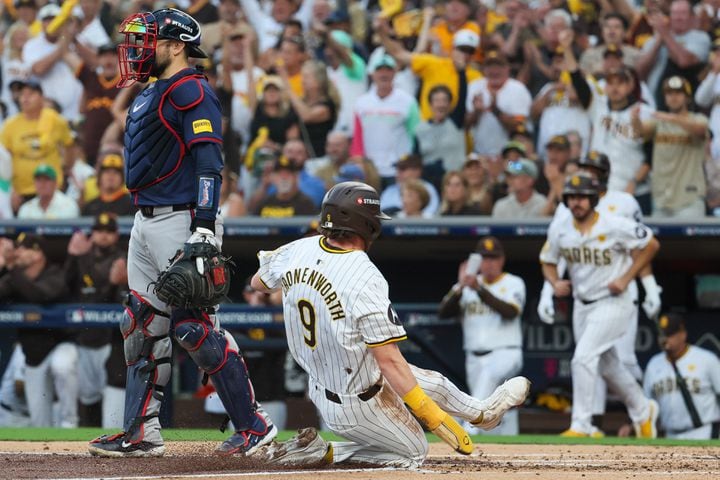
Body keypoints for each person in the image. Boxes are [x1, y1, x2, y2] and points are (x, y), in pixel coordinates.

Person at [87, 8, 276, 458]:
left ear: (175, 46)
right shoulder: (151, 91)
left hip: (185, 218)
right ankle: (141, 432)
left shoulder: (190, 87)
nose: (136, 49)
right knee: (141, 324)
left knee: (194, 327)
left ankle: (253, 425)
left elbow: (210, 161)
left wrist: (206, 227)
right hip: (145, 218)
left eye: (147, 40)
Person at [248, 181, 530, 468]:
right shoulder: (363, 275)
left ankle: (484, 413)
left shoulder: (299, 248)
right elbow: (390, 361)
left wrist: (301, 282)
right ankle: (326, 452)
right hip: (357, 404)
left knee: (435, 383)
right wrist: (434, 417)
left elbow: (258, 282)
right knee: (413, 452)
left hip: (329, 384)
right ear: (367, 224)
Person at [540, 172, 660, 438]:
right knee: (608, 366)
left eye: (582, 197)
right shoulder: (560, 228)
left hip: (615, 300)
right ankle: (643, 410)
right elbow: (547, 259)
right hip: (582, 305)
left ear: (593, 198)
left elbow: (651, 244)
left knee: (582, 358)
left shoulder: (614, 223)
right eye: (571, 197)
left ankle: (581, 424)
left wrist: (627, 277)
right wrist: (554, 281)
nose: (576, 202)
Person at [438, 237, 525, 435]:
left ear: (502, 260)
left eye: (494, 258)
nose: (489, 263)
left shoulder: (513, 283)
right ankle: (488, 441)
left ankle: (466, 432)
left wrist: (479, 289)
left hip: (506, 352)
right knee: (485, 402)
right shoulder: (467, 286)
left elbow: (510, 311)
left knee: (487, 380)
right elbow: (443, 312)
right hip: (473, 357)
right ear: (476, 261)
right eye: (485, 259)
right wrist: (460, 286)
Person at [0, 233, 77, 428]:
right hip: (33, 353)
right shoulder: (15, 277)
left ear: (38, 254)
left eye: (23, 248)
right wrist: (2, 266)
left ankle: (70, 423)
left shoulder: (55, 273)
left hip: (62, 344)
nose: (17, 252)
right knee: (39, 423)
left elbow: (40, 294)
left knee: (62, 365)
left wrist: (12, 268)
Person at [65, 213, 128, 427]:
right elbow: (64, 289)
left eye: (109, 232)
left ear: (116, 234)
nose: (104, 236)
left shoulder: (123, 258)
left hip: (111, 341)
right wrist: (72, 257)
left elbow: (119, 303)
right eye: (100, 231)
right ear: (93, 234)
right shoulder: (82, 258)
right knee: (89, 397)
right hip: (84, 338)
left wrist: (114, 284)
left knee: (111, 403)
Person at [631, 76, 709, 218]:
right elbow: (639, 133)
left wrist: (671, 118)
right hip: (661, 198)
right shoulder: (658, 122)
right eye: (669, 93)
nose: (674, 97)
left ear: (687, 97)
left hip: (689, 198)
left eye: (678, 93)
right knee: (661, 240)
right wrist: (634, 119)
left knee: (692, 241)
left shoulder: (698, 118)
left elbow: (700, 130)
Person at [643, 313, 720, 439]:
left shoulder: (707, 360)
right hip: (670, 435)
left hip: (704, 432)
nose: (664, 339)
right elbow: (646, 403)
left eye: (669, 335)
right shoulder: (653, 364)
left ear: (683, 334)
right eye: (661, 334)